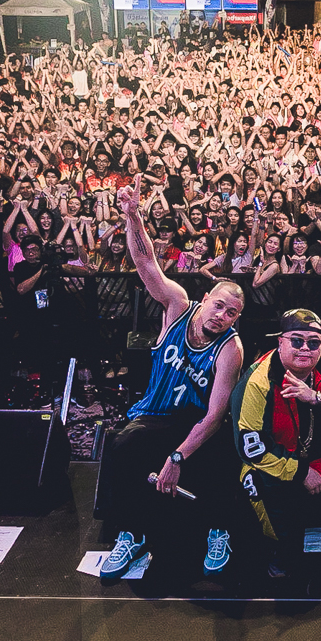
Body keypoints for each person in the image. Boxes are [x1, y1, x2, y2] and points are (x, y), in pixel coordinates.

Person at [96, 181, 246, 580]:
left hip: (195, 421)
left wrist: (178, 456)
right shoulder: (178, 305)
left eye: (231, 313)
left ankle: (219, 530)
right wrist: (133, 216)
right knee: (123, 444)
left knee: (225, 451)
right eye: (219, 306)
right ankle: (131, 533)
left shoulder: (230, 348)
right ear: (206, 298)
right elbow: (147, 264)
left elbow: (214, 415)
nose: (222, 316)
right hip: (156, 413)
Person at [232, 308, 321, 579]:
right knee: (273, 513)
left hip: (318, 452)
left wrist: (317, 398)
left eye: (314, 343)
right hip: (270, 462)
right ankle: (281, 551)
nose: (305, 348)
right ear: (280, 342)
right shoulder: (257, 382)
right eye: (297, 341)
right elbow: (251, 449)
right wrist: (301, 472)